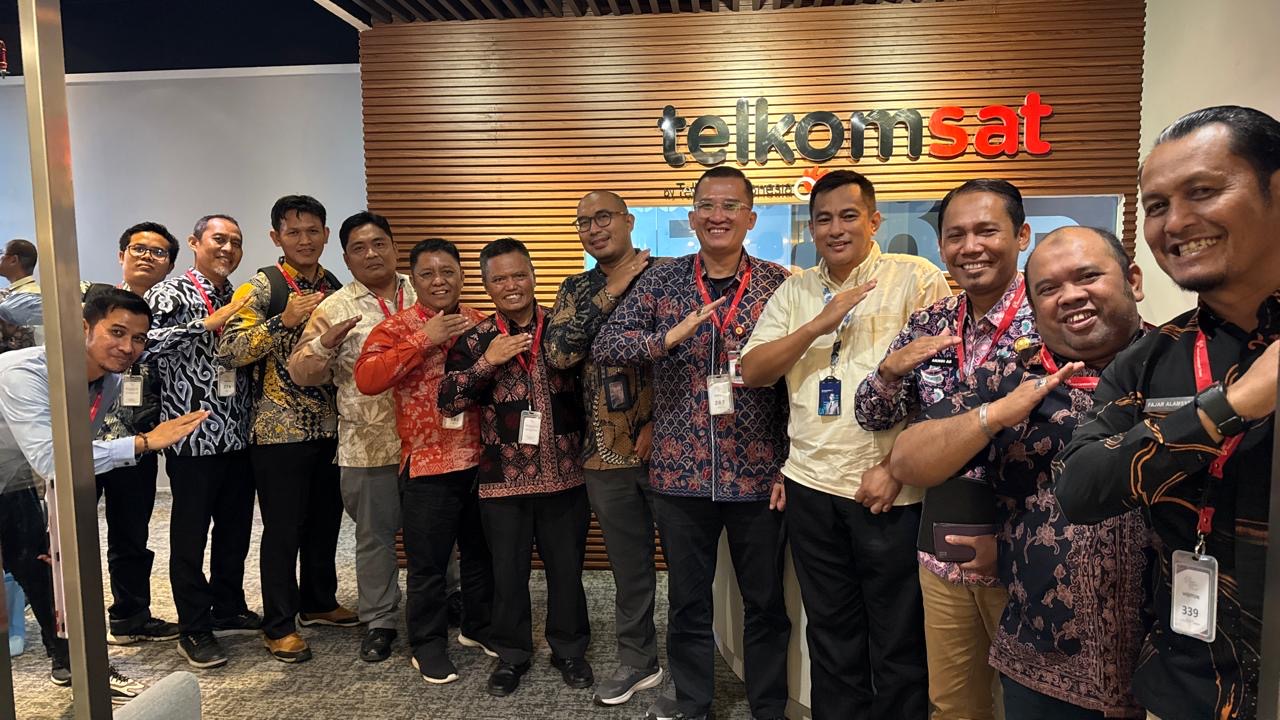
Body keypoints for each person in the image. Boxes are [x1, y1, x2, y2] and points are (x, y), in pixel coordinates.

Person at [1056, 105, 1280, 720]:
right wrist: (1229, 407)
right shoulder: (1151, 359)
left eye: (1203, 191)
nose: (1176, 222)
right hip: (1189, 688)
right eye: (1156, 206)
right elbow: (1079, 487)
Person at [893, 226, 1154, 719]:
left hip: (1169, 664)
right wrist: (993, 416)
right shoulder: (1010, 377)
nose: (1070, 296)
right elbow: (907, 458)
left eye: (1088, 276)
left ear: (1133, 281)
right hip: (1040, 657)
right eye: (1049, 288)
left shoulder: (1181, 364)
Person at [739, 170, 949, 720]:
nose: (835, 229)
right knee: (831, 631)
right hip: (810, 486)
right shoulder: (796, 290)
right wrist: (817, 325)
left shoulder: (915, 278)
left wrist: (897, 468)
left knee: (898, 635)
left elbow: (943, 389)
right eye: (824, 219)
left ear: (873, 221)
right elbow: (754, 371)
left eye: (849, 216)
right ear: (811, 229)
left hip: (888, 490)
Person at [594, 166, 792, 720]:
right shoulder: (662, 282)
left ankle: (768, 705)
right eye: (707, 205)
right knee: (687, 600)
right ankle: (692, 702)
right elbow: (607, 344)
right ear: (692, 216)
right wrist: (667, 337)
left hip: (759, 475)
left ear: (750, 218)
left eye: (730, 206)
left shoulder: (779, 284)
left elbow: (797, 383)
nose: (717, 215)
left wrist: (789, 464)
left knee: (765, 601)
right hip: (679, 473)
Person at [853, 178, 1038, 720]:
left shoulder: (1050, 315)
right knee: (952, 703)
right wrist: (889, 371)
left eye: (987, 231)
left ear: (1021, 235)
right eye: (956, 235)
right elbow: (871, 415)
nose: (970, 246)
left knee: (1034, 702)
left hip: (1030, 549)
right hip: (943, 551)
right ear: (941, 247)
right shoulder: (930, 322)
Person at [0, 288, 207, 702]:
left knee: (46, 570)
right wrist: (143, 442)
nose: (128, 347)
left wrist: (56, 531)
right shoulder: (24, 373)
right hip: (16, 473)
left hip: (14, 480)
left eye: (139, 338)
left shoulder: (108, 381)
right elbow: (55, 458)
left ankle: (77, 666)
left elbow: (74, 458)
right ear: (83, 328)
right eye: (117, 332)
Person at [438, 237, 591, 697]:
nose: (511, 285)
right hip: (502, 479)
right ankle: (512, 654)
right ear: (486, 285)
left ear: (533, 276)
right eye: (500, 278)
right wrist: (488, 362)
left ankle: (569, 649)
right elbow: (448, 401)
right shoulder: (475, 339)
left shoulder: (562, 330)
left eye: (519, 275)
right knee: (507, 574)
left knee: (567, 570)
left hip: (566, 475)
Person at [217, 195, 357, 664]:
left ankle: (318, 602)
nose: (304, 240)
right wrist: (283, 321)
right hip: (278, 431)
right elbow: (229, 350)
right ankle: (278, 624)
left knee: (325, 521)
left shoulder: (335, 286)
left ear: (325, 234)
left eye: (313, 230)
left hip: (329, 425)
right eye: (293, 232)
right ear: (276, 237)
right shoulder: (261, 286)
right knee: (283, 529)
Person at [545, 190, 666, 707]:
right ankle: (639, 661)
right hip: (603, 454)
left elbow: (688, 354)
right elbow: (558, 354)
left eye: (603, 217)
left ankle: (693, 662)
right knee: (629, 568)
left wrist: (660, 421)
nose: (594, 229)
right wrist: (611, 289)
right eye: (583, 223)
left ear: (629, 220)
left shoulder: (665, 275)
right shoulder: (575, 289)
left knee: (690, 566)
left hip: (670, 449)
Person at [355, 238, 495, 684]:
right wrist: (423, 339)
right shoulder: (395, 328)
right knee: (428, 565)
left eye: (448, 272)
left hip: (481, 460)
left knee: (480, 555)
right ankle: (428, 644)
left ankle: (478, 627)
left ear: (461, 276)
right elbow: (367, 379)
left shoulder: (480, 323)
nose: (439, 281)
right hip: (427, 464)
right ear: (413, 280)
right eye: (428, 274)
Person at [287, 211, 416, 663]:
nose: (371, 254)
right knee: (374, 537)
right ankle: (380, 619)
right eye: (359, 248)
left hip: (429, 442)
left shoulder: (424, 290)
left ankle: (444, 601)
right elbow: (300, 372)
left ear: (394, 247)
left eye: (379, 243)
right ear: (345, 258)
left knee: (438, 529)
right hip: (368, 444)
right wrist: (324, 345)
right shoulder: (334, 307)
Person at [144, 213, 257, 668]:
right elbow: (144, 344)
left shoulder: (240, 295)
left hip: (238, 434)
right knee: (190, 537)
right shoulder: (169, 292)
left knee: (235, 530)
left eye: (236, 241)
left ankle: (228, 605)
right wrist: (206, 325)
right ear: (194, 242)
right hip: (191, 437)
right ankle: (193, 627)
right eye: (219, 239)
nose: (228, 248)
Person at [84, 222, 182, 646]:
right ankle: (70, 631)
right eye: (139, 248)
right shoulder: (93, 302)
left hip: (137, 444)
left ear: (170, 264)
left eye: (159, 252)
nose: (147, 257)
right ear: (121, 254)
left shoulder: (176, 308)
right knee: (69, 538)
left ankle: (130, 617)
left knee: (132, 536)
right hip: (84, 440)